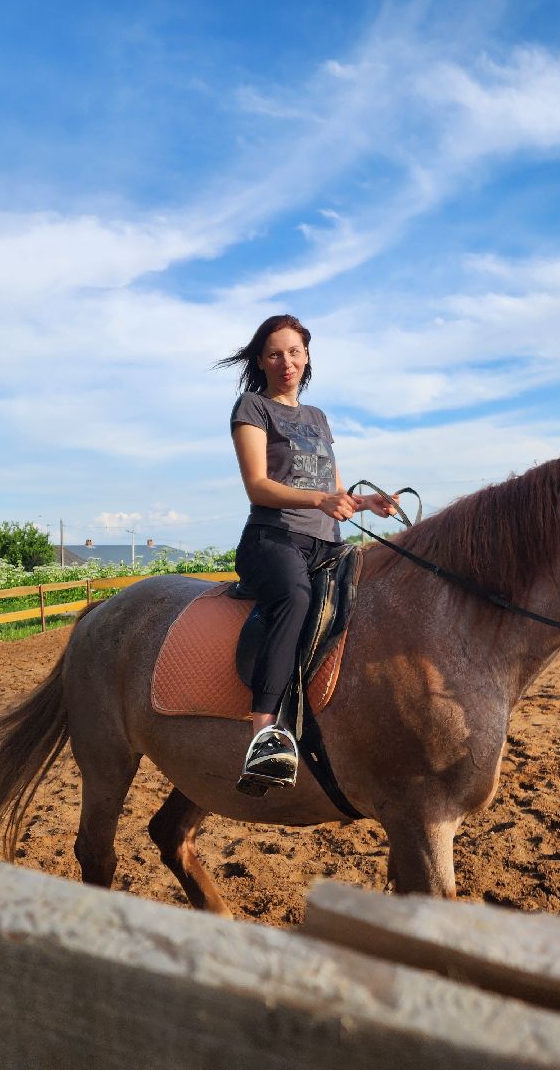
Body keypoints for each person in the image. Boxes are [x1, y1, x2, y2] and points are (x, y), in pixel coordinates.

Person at [216, 315, 394, 790]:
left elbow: (332, 487)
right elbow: (259, 486)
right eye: (275, 353)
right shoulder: (253, 407)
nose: (286, 361)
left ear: (307, 356)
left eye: (294, 352)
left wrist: (363, 502)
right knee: (294, 598)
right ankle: (263, 733)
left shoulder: (317, 418)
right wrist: (320, 500)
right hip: (272, 540)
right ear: (261, 360)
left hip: (326, 542)